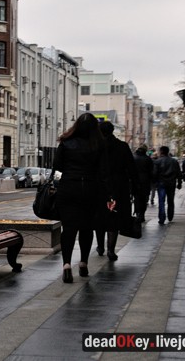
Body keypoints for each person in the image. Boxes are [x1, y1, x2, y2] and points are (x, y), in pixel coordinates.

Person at [52, 113, 109, 284]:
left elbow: (57, 166)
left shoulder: (66, 142)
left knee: (68, 229)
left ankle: (67, 265)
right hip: (91, 190)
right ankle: (83, 263)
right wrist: (108, 194)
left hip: (69, 188)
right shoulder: (99, 144)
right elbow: (103, 171)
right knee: (87, 228)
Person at [94, 122, 138, 261]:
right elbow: (132, 168)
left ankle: (100, 246)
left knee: (99, 217)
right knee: (114, 218)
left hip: (99, 187)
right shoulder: (122, 146)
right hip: (119, 187)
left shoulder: (95, 146)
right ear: (112, 131)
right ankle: (111, 250)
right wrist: (135, 188)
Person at [152, 146, 182, 225]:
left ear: (161, 152)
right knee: (170, 200)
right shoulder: (174, 161)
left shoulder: (157, 161)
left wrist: (154, 183)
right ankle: (170, 215)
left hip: (161, 183)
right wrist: (179, 183)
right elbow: (179, 173)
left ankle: (162, 218)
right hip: (171, 183)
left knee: (161, 201)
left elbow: (154, 173)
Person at [132, 146, 153, 221]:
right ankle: (142, 214)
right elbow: (151, 171)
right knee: (144, 199)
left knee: (136, 198)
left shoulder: (133, 158)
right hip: (146, 181)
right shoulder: (148, 159)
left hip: (135, 181)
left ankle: (138, 213)